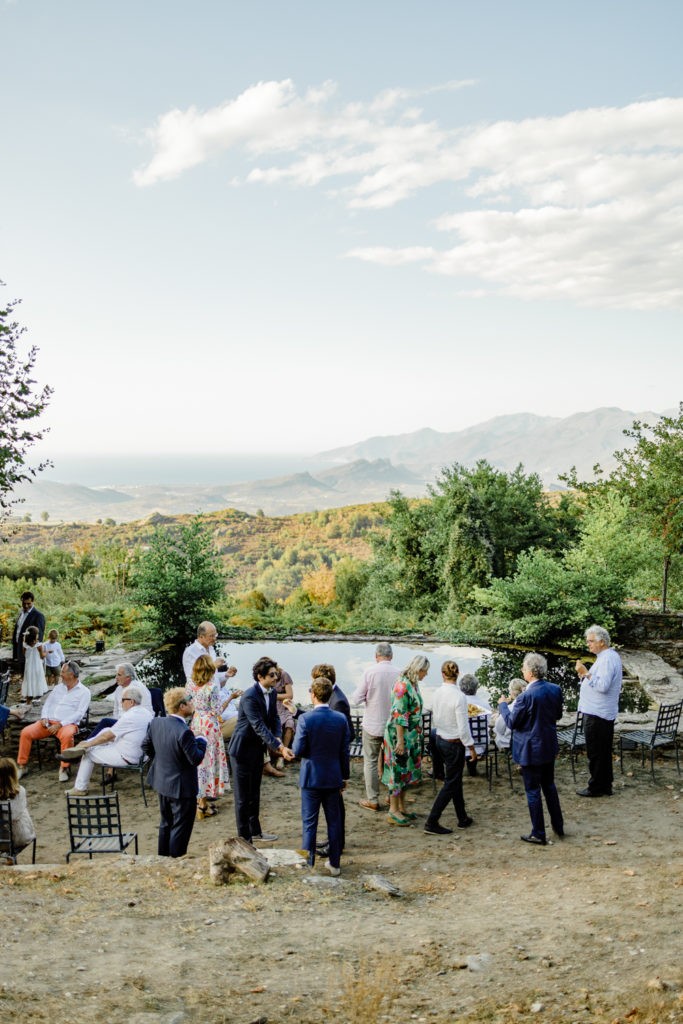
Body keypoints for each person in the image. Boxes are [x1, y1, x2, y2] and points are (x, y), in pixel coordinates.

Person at [498, 652, 564, 846]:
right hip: (548, 745)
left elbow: (511, 722)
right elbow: (558, 715)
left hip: (530, 750)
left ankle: (538, 833)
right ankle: (558, 826)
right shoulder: (555, 689)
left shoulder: (525, 697)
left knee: (533, 791)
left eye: (524, 668)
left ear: (531, 672)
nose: (522, 671)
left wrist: (503, 705)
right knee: (550, 787)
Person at [228, 656, 295, 843]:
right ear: (260, 676)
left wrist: (278, 737)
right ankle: (245, 838)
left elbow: (273, 718)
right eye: (272, 675)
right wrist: (280, 748)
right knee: (242, 798)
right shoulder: (249, 696)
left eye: (277, 674)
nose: (276, 678)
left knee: (254, 793)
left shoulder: (272, 693)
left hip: (257, 750)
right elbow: (257, 725)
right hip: (241, 750)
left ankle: (256, 832)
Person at [292, 677, 350, 877]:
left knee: (309, 821)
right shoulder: (340, 719)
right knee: (334, 821)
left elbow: (298, 749)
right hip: (333, 776)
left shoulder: (306, 719)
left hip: (311, 777)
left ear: (313, 695)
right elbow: (344, 750)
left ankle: (308, 861)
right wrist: (345, 776)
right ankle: (335, 864)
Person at [142, 687, 208, 858]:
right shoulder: (184, 732)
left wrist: (164, 760)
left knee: (166, 823)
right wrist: (201, 740)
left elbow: (146, 746)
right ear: (182, 706)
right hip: (182, 787)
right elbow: (195, 759)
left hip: (162, 781)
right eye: (190, 701)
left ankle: (162, 857)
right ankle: (175, 859)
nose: (192, 704)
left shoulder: (156, 723)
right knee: (181, 826)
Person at [62, 686, 153, 794]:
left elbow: (107, 737)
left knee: (89, 753)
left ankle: (80, 788)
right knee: (106, 729)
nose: (121, 702)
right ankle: (83, 747)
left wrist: (88, 744)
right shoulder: (146, 713)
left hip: (128, 756)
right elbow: (111, 733)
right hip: (143, 754)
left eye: (123, 700)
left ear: (132, 702)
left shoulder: (129, 716)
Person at [424, 660, 477, 835]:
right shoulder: (459, 696)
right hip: (454, 743)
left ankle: (462, 817)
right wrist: (471, 748)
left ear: (442, 674)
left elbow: (429, 708)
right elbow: (463, 727)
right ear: (458, 674)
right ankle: (432, 821)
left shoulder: (437, 692)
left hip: (439, 738)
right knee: (451, 782)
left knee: (455, 780)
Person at [17, 661, 91, 783]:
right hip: (48, 723)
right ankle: (22, 766)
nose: (60, 674)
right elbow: (47, 704)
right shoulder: (58, 688)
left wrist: (60, 724)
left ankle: (64, 768)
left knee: (67, 735)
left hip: (66, 724)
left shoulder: (84, 692)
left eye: (62, 672)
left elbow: (79, 713)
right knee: (26, 732)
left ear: (71, 674)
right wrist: (44, 717)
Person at [311, 662, 354, 857]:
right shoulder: (334, 697)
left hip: (333, 763)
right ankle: (333, 840)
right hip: (331, 762)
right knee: (334, 806)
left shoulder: (338, 702)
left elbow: (348, 734)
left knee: (336, 808)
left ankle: (337, 844)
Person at [351, 642, 400, 812]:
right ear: (391, 656)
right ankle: (391, 796)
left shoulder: (370, 672)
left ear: (376, 656)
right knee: (392, 762)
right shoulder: (399, 673)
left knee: (370, 761)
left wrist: (368, 697)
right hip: (393, 727)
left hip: (372, 724)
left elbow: (356, 699)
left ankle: (373, 799)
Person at [575, 625, 622, 798]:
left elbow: (602, 686)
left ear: (602, 642)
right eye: (588, 641)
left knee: (596, 753)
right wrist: (586, 676)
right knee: (602, 752)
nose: (588, 644)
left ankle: (596, 787)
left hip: (598, 714)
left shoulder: (608, 659)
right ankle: (605, 785)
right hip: (600, 712)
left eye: (591, 641)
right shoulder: (607, 657)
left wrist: (586, 673)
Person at [381, 654, 428, 826]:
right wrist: (400, 741)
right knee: (397, 771)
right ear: (418, 669)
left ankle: (401, 807)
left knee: (406, 772)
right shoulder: (402, 686)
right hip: (398, 736)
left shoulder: (413, 684)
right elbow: (399, 715)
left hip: (411, 735)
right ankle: (393, 810)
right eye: (425, 671)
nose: (426, 675)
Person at [187, 654, 228, 819]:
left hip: (197, 723)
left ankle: (199, 800)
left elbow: (189, 705)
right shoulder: (212, 687)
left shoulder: (190, 684)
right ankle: (202, 804)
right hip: (210, 725)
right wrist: (230, 699)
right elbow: (218, 711)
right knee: (208, 762)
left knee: (198, 763)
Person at [85, 663, 152, 740]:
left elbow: (148, 711)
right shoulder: (118, 689)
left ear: (128, 677)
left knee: (105, 722)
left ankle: (85, 744)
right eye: (116, 675)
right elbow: (116, 711)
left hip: (134, 723)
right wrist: (116, 726)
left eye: (119, 675)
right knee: (104, 731)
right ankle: (87, 744)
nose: (116, 678)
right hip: (120, 723)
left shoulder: (139, 689)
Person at [0, 756, 36, 855]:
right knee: (22, 812)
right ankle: (9, 856)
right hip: (18, 838)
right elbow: (14, 816)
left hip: (2, 838)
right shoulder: (20, 791)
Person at [459, 673, 491, 777]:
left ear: (461, 688)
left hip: (461, 744)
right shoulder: (485, 705)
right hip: (481, 743)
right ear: (476, 688)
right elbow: (489, 724)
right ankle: (472, 767)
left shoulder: (458, 704)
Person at [12, 591, 45, 670]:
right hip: (19, 649)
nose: (26, 606)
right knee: (23, 674)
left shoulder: (38, 616)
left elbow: (39, 636)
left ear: (33, 602)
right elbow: (18, 630)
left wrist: (34, 653)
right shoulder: (21, 613)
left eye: (28, 603)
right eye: (24, 603)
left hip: (30, 652)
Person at [272, 666, 296, 770]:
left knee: (289, 723)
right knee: (275, 725)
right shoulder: (265, 676)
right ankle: (279, 752)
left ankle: (282, 755)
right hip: (273, 706)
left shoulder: (284, 675)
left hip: (285, 705)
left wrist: (272, 695)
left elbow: (290, 695)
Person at [493, 678, 526, 750]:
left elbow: (499, 729)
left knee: (497, 731)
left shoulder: (510, 708)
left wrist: (502, 706)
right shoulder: (528, 704)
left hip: (510, 742)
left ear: (511, 692)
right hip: (525, 740)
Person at [21, 625, 48, 701]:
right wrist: (47, 652)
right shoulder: (39, 646)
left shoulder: (24, 645)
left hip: (28, 667)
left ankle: (28, 700)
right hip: (37, 667)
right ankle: (36, 696)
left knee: (29, 681)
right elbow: (42, 656)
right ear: (35, 636)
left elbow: (25, 655)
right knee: (36, 680)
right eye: (37, 634)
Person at [217, 664, 242, 743]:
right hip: (222, 724)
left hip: (232, 719)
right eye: (225, 676)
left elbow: (234, 706)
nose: (226, 679)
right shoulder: (214, 691)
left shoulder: (225, 689)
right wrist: (231, 697)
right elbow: (220, 715)